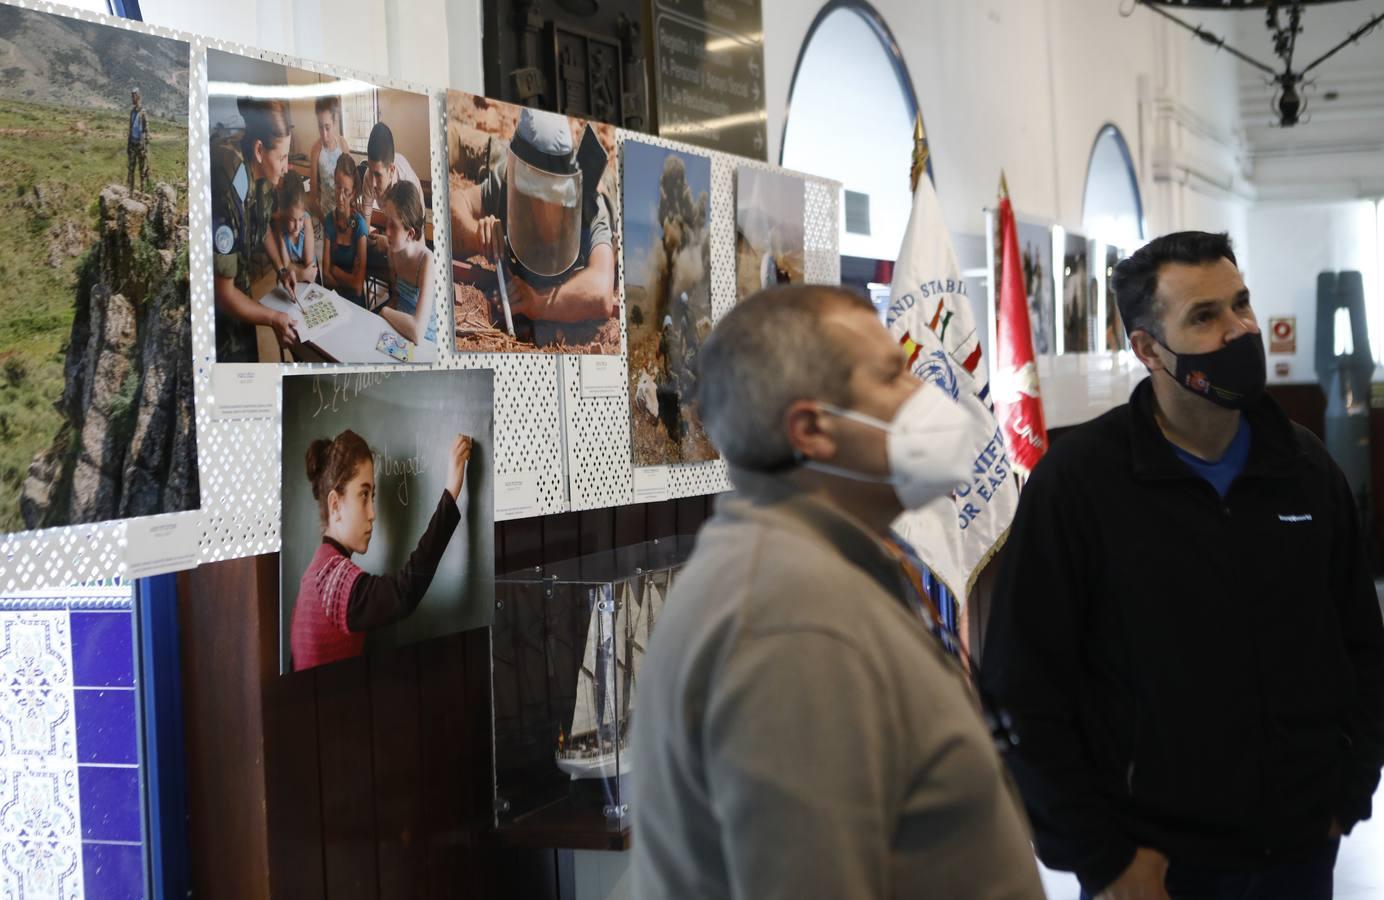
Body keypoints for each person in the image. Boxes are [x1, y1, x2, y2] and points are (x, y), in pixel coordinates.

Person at [979, 231, 1384, 900]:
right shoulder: (1078, 487)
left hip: (1301, 849)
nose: (1239, 330)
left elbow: (1362, 648)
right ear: (1146, 350)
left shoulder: (1306, 470)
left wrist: (1351, 787)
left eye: (1241, 304)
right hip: (1152, 866)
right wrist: (1101, 858)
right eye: (1204, 316)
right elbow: (1022, 689)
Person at [631, 284, 1047, 900]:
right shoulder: (791, 620)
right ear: (813, 430)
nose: (925, 395)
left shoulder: (820, 566)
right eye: (891, 377)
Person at [291, 429, 472, 672]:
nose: (373, 514)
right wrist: (451, 492)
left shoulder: (311, 577)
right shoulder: (332, 582)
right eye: (363, 495)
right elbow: (404, 592)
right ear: (335, 504)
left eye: (373, 496)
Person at [450, 106, 617, 326]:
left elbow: (601, 292)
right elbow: (455, 204)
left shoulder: (591, 205)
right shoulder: (506, 179)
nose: (543, 206)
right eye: (534, 193)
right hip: (504, 155)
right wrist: (480, 237)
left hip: (607, 186)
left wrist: (540, 304)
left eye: (552, 195)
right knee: (454, 137)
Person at [211, 97, 299, 362]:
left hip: (241, 288)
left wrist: (282, 268)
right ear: (259, 150)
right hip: (217, 311)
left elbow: (262, 230)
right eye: (282, 157)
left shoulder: (263, 177)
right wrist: (273, 318)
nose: (286, 167)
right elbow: (223, 293)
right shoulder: (229, 186)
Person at [379, 181, 436, 345]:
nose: (386, 232)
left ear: (410, 234)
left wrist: (385, 311)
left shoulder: (427, 261)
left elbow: (418, 332)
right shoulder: (393, 250)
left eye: (393, 226)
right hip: (399, 328)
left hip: (426, 340)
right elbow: (396, 297)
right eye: (386, 221)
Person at [360, 121, 423, 252]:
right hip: (391, 209)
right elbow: (365, 226)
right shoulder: (368, 177)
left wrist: (387, 243)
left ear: (392, 169)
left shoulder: (406, 181)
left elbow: (412, 240)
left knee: (416, 253)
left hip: (414, 213)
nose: (372, 183)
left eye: (378, 174)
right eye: (370, 170)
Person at [321, 152, 368, 307]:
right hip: (333, 301)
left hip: (354, 305)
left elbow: (358, 287)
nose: (340, 197)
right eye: (337, 187)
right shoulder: (329, 220)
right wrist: (348, 280)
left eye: (346, 192)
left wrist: (335, 270)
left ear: (353, 192)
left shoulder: (359, 226)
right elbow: (325, 276)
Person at [269, 173, 318, 289]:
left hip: (312, 279)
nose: (297, 226)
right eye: (292, 219)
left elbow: (309, 268)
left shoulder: (306, 222)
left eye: (300, 219)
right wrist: (302, 274)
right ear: (283, 213)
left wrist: (294, 270)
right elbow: (285, 265)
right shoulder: (279, 225)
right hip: (291, 280)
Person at [308, 95, 351, 223]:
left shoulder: (342, 145)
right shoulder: (316, 150)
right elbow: (313, 197)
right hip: (326, 215)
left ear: (334, 123)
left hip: (345, 213)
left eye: (327, 127)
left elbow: (351, 184)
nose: (324, 134)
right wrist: (325, 222)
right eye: (320, 127)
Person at [126, 86, 149, 193]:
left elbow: (146, 130)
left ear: (138, 97)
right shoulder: (132, 112)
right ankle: (131, 193)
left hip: (140, 146)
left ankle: (142, 192)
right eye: (131, 96)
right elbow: (130, 129)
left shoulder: (143, 112)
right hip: (132, 144)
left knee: (142, 170)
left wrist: (146, 147)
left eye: (134, 96)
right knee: (131, 169)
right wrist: (128, 145)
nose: (132, 98)